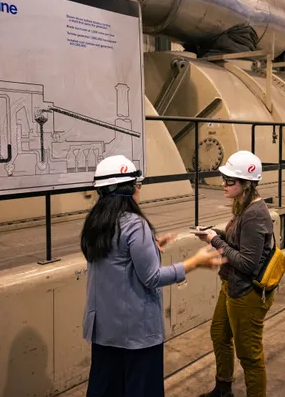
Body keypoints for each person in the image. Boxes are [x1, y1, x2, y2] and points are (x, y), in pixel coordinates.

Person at [81, 155, 224, 397]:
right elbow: (152, 278)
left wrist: (150, 247)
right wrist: (194, 263)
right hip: (135, 332)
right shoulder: (135, 224)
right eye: (138, 184)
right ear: (130, 189)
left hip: (104, 329)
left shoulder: (95, 223)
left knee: (106, 389)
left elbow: (116, 261)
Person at [195, 151, 275, 397]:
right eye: (224, 179)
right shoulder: (244, 206)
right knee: (219, 335)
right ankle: (223, 389)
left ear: (246, 184)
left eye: (230, 180)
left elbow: (247, 263)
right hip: (231, 285)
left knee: (249, 355)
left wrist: (215, 240)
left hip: (247, 293)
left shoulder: (254, 215)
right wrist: (213, 232)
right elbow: (237, 241)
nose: (223, 184)